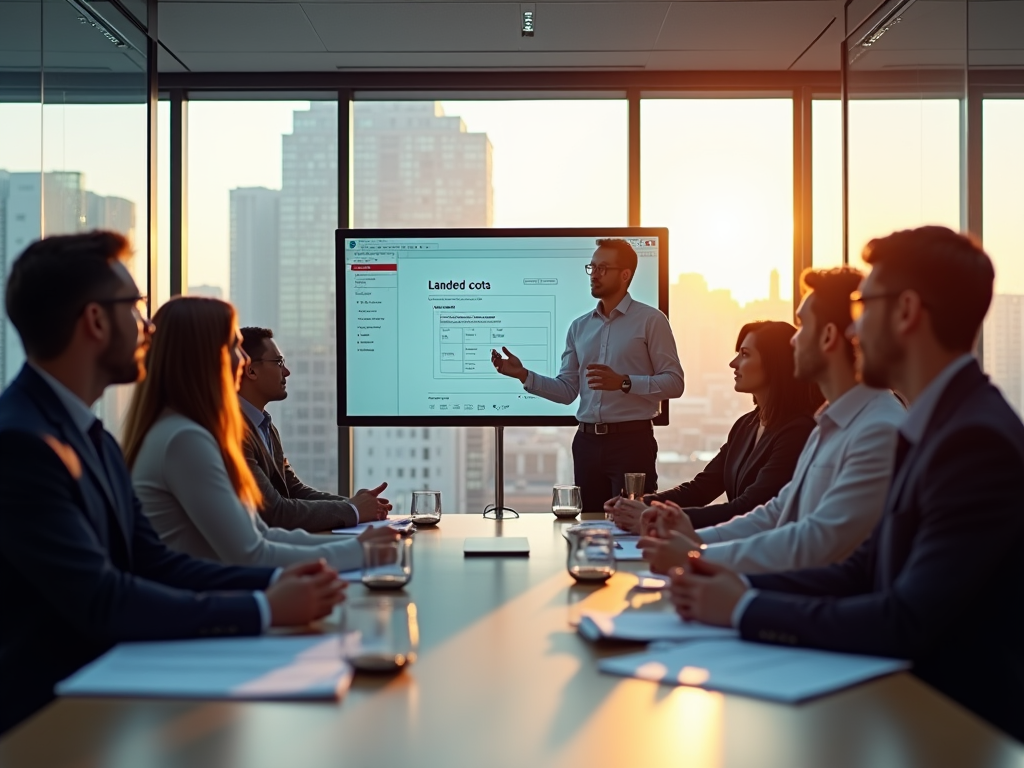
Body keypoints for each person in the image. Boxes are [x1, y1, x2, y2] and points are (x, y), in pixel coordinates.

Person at [668, 227, 1024, 743]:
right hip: (904, 706)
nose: (853, 330)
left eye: (863, 304)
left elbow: (906, 617)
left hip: (954, 728)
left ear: (905, 312)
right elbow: (866, 568)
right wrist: (731, 586)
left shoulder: (973, 440)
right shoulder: (933, 423)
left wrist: (744, 607)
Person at [0, 232, 345, 736]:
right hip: (48, 721)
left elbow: (153, 562)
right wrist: (261, 607)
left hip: (107, 696)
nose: (147, 328)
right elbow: (103, 599)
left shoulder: (90, 435)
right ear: (95, 320)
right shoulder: (23, 444)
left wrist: (275, 584)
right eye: (136, 309)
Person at [640, 267, 905, 574]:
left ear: (829, 336)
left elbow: (817, 541)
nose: (793, 342)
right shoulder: (830, 422)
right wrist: (693, 541)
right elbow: (777, 512)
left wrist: (696, 554)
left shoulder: (877, 428)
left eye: (803, 325)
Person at [124, 297, 396, 571]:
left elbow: (261, 535)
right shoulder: (184, 440)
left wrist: (358, 539)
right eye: (233, 347)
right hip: (196, 604)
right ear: (204, 357)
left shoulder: (182, 431)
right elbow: (252, 554)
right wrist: (361, 548)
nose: (243, 360)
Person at [491, 238, 685, 512]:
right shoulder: (579, 327)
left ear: (625, 274)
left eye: (603, 267)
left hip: (632, 443)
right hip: (586, 444)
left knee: (630, 522)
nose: (594, 273)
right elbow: (567, 391)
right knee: (590, 525)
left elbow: (675, 383)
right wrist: (523, 375)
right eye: (592, 267)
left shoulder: (651, 320)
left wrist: (624, 382)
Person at [605, 320, 821, 534]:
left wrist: (657, 517)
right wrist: (638, 503)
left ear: (775, 363)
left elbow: (748, 508)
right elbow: (701, 489)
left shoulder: (797, 432)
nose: (733, 363)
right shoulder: (745, 426)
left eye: (745, 354)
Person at [237, 326, 390, 532]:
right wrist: (353, 509)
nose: (286, 372)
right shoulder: (235, 432)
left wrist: (358, 504)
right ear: (251, 370)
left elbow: (294, 490)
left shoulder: (264, 425)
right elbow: (275, 512)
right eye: (278, 362)